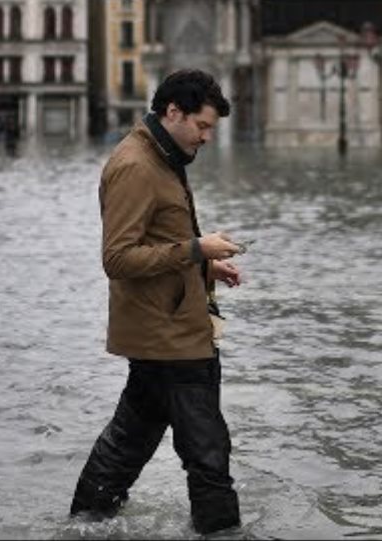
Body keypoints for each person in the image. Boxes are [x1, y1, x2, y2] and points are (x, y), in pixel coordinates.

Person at [69, 69, 245, 535]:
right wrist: (196, 250)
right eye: (202, 126)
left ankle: (84, 524)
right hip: (171, 339)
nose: (207, 137)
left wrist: (206, 267)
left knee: (128, 443)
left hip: (170, 329)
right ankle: (222, 533)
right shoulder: (136, 166)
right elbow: (118, 258)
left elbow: (158, 241)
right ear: (173, 112)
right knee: (208, 453)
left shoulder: (163, 157)